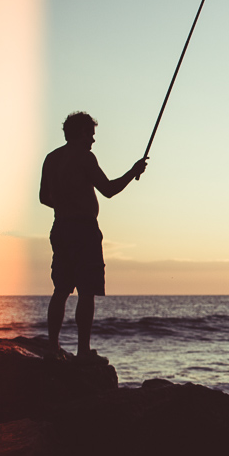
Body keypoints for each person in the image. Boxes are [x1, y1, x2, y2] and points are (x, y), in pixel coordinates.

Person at [39, 111, 148, 363]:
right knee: (87, 291)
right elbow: (109, 190)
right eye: (91, 135)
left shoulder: (51, 158)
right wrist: (133, 171)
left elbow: (44, 198)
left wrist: (64, 202)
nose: (93, 141)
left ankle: (52, 348)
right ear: (82, 133)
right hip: (84, 230)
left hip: (60, 228)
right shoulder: (84, 156)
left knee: (61, 290)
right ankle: (83, 352)